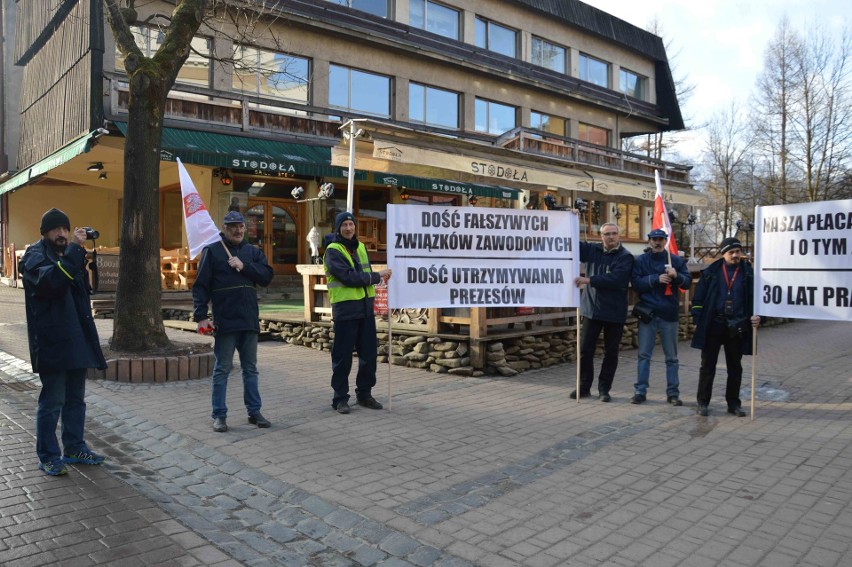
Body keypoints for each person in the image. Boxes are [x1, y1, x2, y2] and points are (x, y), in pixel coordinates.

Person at [20, 208, 107, 476]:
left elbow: (81, 295)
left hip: (76, 339)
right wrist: (73, 253)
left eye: (65, 229)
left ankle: (74, 447)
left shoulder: (68, 255)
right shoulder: (35, 256)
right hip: (52, 342)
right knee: (52, 401)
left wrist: (77, 257)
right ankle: (48, 455)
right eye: (56, 229)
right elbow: (53, 282)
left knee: (76, 400)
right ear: (44, 232)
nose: (62, 234)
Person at [193, 211, 274, 432]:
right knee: (222, 370)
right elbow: (200, 286)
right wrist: (200, 316)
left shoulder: (252, 252)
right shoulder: (212, 251)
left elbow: (267, 277)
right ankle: (219, 415)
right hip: (225, 321)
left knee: (251, 369)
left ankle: (254, 412)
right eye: (233, 227)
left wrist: (244, 266)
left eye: (241, 227)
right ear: (224, 228)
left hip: (248, 320)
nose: (238, 230)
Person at [324, 211, 392, 414]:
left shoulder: (361, 247)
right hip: (345, 310)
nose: (348, 228)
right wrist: (376, 276)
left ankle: (364, 394)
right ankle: (340, 398)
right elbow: (350, 277)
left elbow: (362, 274)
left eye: (351, 224)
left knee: (369, 355)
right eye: (344, 225)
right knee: (343, 357)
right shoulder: (332, 250)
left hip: (365, 309)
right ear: (338, 228)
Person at [691, 237, 760, 417]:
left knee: (735, 367)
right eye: (731, 252)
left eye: (738, 251)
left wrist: (760, 316)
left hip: (737, 326)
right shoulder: (711, 272)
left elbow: (759, 300)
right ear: (723, 254)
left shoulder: (749, 273)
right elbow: (698, 300)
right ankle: (703, 403)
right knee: (707, 366)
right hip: (713, 325)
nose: (736, 255)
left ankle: (733, 404)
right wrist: (699, 319)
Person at [571, 222, 635, 402]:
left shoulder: (625, 257)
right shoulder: (592, 250)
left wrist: (588, 280)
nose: (611, 237)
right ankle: (583, 387)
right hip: (591, 310)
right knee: (585, 351)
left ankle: (604, 389)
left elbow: (616, 279)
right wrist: (570, 217)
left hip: (614, 312)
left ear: (619, 235)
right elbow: (571, 241)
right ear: (601, 236)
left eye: (614, 233)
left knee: (611, 353)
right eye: (607, 234)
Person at [630, 228, 692, 405]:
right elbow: (636, 283)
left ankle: (673, 393)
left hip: (668, 314)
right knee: (643, 355)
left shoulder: (676, 261)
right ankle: (640, 391)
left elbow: (687, 283)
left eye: (661, 239)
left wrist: (676, 276)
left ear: (665, 241)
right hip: (647, 314)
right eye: (654, 239)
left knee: (671, 357)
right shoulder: (641, 260)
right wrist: (655, 279)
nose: (657, 242)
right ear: (649, 241)